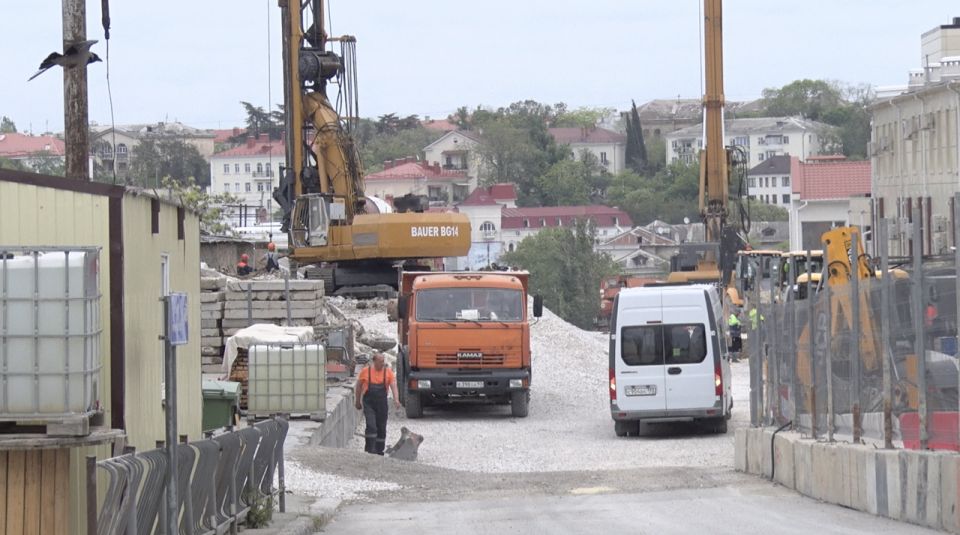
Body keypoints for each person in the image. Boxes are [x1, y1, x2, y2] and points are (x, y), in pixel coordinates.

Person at [355, 353, 401, 455]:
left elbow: (393, 386)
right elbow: (358, 386)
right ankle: (370, 449)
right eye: (380, 361)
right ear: (374, 361)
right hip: (369, 403)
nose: (382, 363)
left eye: (383, 361)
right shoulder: (365, 371)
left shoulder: (388, 372)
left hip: (382, 403)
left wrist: (396, 399)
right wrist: (357, 401)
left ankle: (379, 450)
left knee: (381, 427)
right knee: (371, 426)